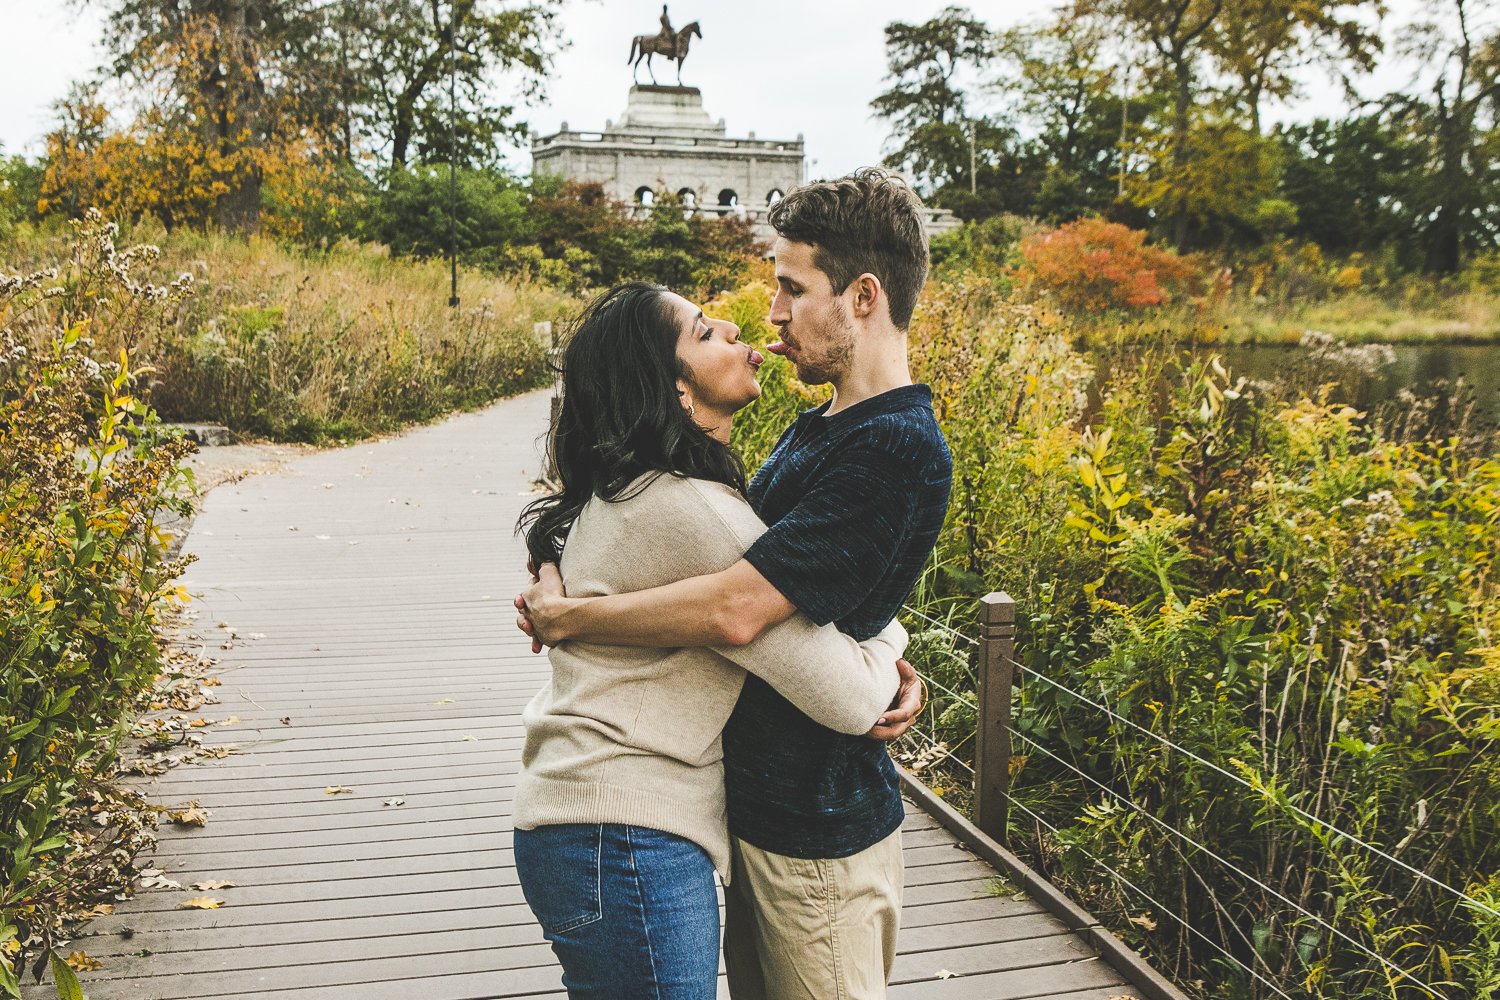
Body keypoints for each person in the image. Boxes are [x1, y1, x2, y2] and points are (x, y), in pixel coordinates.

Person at [517, 168, 952, 1000]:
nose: (773, 314)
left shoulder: (896, 446)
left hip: (818, 828)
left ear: (863, 297)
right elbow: (740, 578)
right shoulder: (815, 427)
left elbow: (739, 608)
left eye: (792, 288)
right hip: (742, 815)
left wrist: (576, 615)